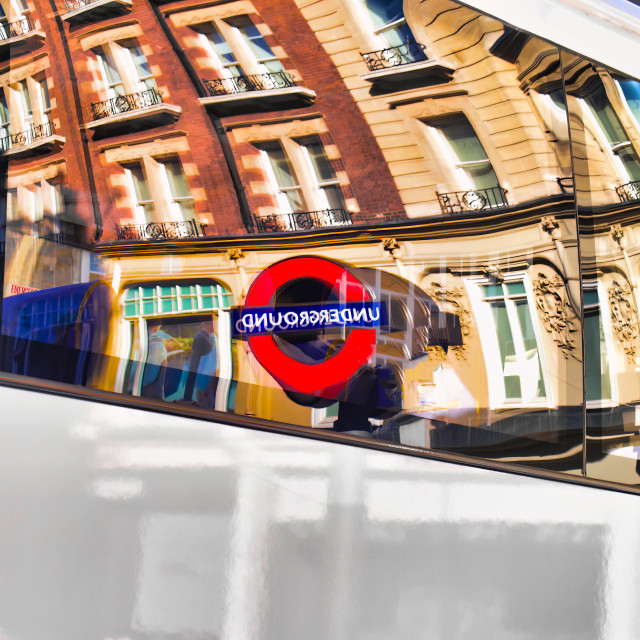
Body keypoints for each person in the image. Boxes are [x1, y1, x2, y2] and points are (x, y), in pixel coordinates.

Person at [183, 317, 218, 407]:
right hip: (207, 376)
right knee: (207, 400)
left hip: (208, 375)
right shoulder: (203, 337)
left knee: (207, 400)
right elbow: (195, 362)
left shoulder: (209, 337)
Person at [141, 319, 180, 400]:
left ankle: (158, 397)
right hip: (152, 362)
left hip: (162, 361)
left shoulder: (159, 333)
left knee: (160, 381)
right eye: (157, 326)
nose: (158, 328)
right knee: (151, 380)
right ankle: (150, 396)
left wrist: (179, 343)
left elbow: (170, 338)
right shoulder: (145, 333)